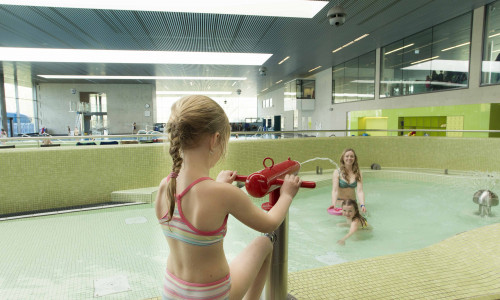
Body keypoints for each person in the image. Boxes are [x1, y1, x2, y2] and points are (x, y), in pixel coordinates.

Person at [155, 95, 302, 300]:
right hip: (212, 296)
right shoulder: (222, 194)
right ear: (215, 139)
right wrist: (286, 194)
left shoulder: (165, 186)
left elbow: (196, 203)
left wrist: (218, 184)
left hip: (172, 292)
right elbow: (269, 223)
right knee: (264, 244)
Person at [330, 148, 366, 213]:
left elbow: (360, 191)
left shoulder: (358, 172)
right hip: (341, 203)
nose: (349, 158)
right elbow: (335, 191)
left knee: (363, 218)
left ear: (355, 158)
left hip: (353, 203)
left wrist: (362, 205)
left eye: (352, 156)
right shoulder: (337, 172)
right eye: (347, 156)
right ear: (343, 158)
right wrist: (333, 204)